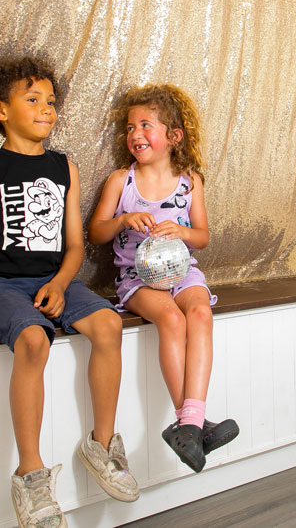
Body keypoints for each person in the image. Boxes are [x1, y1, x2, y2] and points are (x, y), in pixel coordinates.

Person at [0, 57, 139, 528]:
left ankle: (102, 444)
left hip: (57, 280)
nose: (46, 109)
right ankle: (31, 476)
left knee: (109, 323)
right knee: (34, 340)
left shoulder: (65, 168)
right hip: (1, 286)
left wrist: (58, 284)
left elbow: (74, 246)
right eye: (32, 100)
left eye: (51, 101)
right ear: (1, 110)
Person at [88, 83, 238, 474]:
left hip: (183, 272)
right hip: (137, 278)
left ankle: (190, 423)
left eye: (145, 125)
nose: (135, 134)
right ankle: (192, 424)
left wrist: (182, 231)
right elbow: (96, 232)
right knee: (171, 318)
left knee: (199, 313)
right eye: (130, 127)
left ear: (174, 136)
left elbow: (202, 236)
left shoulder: (190, 182)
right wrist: (123, 219)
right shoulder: (121, 181)